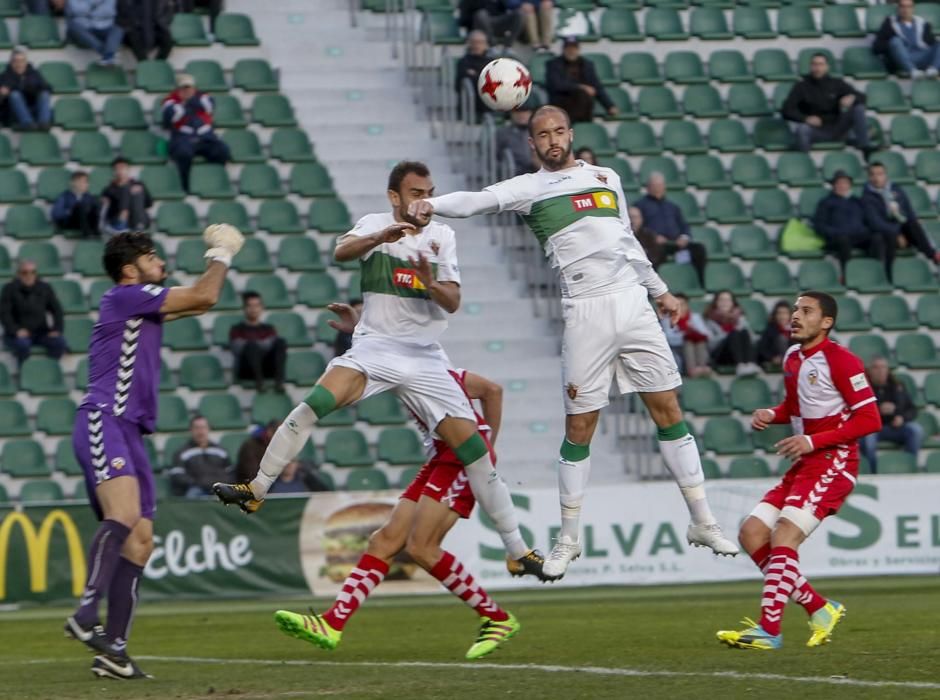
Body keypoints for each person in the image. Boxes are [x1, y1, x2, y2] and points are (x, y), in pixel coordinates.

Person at [406, 106, 738, 580]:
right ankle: (567, 540)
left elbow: (628, 239)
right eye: (543, 135)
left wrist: (659, 290)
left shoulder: (606, 177)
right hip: (585, 309)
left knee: (667, 409)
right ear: (533, 144)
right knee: (580, 426)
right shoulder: (529, 188)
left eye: (559, 131)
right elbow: (476, 201)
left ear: (571, 134)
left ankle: (703, 521)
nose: (552, 140)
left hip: (632, 302)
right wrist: (431, 205)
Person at [213, 162, 553, 597]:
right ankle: (257, 489)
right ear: (395, 197)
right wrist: (380, 238)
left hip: (427, 358)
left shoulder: (442, 237)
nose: (424, 201)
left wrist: (430, 284)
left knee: (476, 452)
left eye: (429, 192)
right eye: (415, 192)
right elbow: (341, 253)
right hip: (376, 349)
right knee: (313, 403)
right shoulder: (373, 226)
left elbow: (452, 302)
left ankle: (517, 551)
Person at [274, 302, 521, 660]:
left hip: (458, 460)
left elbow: (493, 390)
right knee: (384, 541)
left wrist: (483, 453)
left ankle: (496, 618)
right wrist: (358, 326)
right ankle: (332, 623)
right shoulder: (400, 364)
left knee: (422, 547)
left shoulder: (440, 372)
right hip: (440, 457)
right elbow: (380, 342)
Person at [65, 225, 243, 679]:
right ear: (130, 270)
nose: (160, 262)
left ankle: (115, 652)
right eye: (151, 257)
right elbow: (205, 295)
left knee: (142, 542)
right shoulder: (125, 297)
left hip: (130, 432)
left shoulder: (141, 306)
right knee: (123, 517)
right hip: (105, 418)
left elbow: (198, 302)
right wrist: (221, 253)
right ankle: (87, 613)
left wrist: (210, 276)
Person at [717, 292, 882, 650]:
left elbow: (870, 419)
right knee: (751, 533)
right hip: (806, 462)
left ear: (826, 322)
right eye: (794, 309)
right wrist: (771, 414)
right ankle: (819, 607)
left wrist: (813, 441)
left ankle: (769, 629)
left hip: (833, 461)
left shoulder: (842, 360)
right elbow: (795, 406)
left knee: (783, 537)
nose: (795, 316)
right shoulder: (793, 357)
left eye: (806, 311)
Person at [782, 53, 873, 157]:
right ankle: (804, 162)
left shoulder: (836, 83)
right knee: (802, 129)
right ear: (810, 66)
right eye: (814, 64)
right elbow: (786, 110)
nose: (817, 68)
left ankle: (865, 147)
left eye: (821, 64)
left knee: (859, 108)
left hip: (838, 126)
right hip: (816, 130)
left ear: (827, 67)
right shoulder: (801, 86)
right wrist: (805, 118)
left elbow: (863, 97)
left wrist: (853, 98)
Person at [861, 161, 939, 281]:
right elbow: (875, 223)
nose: (876, 177)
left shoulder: (897, 190)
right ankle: (888, 278)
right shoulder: (867, 197)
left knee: (914, 223)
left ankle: (933, 255)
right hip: (887, 234)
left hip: (902, 231)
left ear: (885, 175)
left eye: (880, 174)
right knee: (887, 236)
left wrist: (902, 232)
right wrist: (897, 233)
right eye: (873, 174)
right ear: (869, 177)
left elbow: (909, 212)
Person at [162, 73, 231, 193]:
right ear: (178, 89)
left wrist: (187, 104)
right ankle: (185, 186)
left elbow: (209, 105)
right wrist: (187, 105)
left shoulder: (202, 96)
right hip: (183, 137)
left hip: (205, 137)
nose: (187, 91)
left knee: (222, 151)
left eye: (189, 88)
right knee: (183, 153)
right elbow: (171, 116)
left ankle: (215, 183)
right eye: (183, 88)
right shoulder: (170, 100)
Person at [636, 173, 707, 287]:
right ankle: (654, 287)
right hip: (656, 244)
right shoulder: (640, 206)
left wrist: (684, 237)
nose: (658, 188)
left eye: (660, 185)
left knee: (699, 249)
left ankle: (700, 284)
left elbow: (684, 225)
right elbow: (639, 227)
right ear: (648, 187)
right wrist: (654, 237)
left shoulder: (672, 206)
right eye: (655, 185)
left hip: (676, 243)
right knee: (654, 253)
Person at [813, 170, 883, 279]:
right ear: (834, 185)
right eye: (839, 183)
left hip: (858, 236)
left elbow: (869, 221)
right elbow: (819, 225)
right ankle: (847, 276)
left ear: (849, 185)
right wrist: (836, 232)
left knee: (877, 238)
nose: (842, 186)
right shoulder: (826, 203)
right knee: (843, 240)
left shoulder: (857, 201)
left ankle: (875, 273)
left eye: (845, 183)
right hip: (838, 238)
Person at [859, 357, 923, 474]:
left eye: (883, 367)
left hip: (895, 427)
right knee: (868, 439)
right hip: (873, 428)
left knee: (916, 430)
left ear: (888, 369)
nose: (880, 370)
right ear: (869, 371)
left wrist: (901, 417)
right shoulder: (863, 387)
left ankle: (909, 467)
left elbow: (912, 410)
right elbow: (857, 411)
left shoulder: (897, 386)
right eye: (876, 367)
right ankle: (873, 472)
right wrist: (878, 411)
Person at [1, 260, 66, 366]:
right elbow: (4, 314)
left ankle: (50, 370)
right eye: (25, 272)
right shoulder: (9, 289)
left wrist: (57, 330)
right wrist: (16, 330)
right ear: (19, 274)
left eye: (32, 272)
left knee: (59, 342)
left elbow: (57, 310)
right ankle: (25, 373)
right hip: (16, 335)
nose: (29, 275)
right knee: (22, 345)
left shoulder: (45, 288)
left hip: (41, 333)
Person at [546, 37, 617, 123]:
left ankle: (582, 127)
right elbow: (557, 85)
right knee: (582, 94)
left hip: (583, 105)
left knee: (584, 96)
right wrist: (581, 87)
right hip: (562, 104)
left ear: (578, 49)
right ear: (563, 49)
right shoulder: (553, 64)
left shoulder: (587, 65)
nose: (571, 51)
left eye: (573, 48)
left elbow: (596, 86)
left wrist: (609, 106)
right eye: (568, 48)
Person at [229, 291, 287, 392]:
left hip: (267, 367)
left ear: (261, 307)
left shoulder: (268, 329)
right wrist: (259, 344)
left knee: (280, 342)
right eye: (250, 306)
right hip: (247, 370)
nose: (253, 309)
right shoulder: (237, 329)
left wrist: (257, 345)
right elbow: (237, 349)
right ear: (244, 308)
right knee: (251, 346)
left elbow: (273, 345)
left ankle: (279, 382)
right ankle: (259, 383)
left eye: (256, 305)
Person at [168, 415, 232, 498]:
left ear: (208, 429)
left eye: (203, 427)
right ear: (191, 430)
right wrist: (197, 483)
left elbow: (231, 473)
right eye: (196, 428)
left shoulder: (221, 451)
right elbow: (177, 475)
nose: (200, 431)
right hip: (197, 489)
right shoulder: (182, 452)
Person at [873, 0, 940, 78]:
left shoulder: (922, 23)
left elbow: (932, 44)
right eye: (902, 6)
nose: (906, 10)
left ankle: (933, 69)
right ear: (898, 8)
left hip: (921, 57)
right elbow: (877, 47)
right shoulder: (889, 23)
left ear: (913, 9)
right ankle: (912, 71)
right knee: (895, 41)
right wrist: (893, 46)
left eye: (909, 7)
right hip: (901, 59)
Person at [704, 290, 759, 376]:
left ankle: (750, 364)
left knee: (743, 331)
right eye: (721, 300)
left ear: (733, 303)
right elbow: (710, 343)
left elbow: (751, 338)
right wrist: (728, 336)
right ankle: (740, 365)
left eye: (728, 300)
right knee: (734, 333)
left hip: (740, 351)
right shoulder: (709, 319)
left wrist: (736, 331)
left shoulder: (740, 318)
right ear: (716, 302)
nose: (724, 303)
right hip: (721, 354)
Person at [100, 157, 153, 238]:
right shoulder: (109, 188)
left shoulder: (138, 184)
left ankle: (135, 224)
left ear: (128, 170)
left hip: (137, 217)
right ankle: (125, 222)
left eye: (123, 168)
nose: (120, 171)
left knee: (136, 191)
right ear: (114, 171)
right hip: (116, 219)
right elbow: (109, 207)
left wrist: (138, 192)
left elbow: (149, 203)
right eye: (117, 169)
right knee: (127, 189)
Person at [0, 48, 52, 130]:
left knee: (44, 94)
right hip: (15, 114)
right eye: (16, 61)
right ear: (11, 63)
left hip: (34, 109)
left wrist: (33, 88)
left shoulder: (34, 74)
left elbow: (48, 88)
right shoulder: (5, 76)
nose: (19, 64)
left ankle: (44, 123)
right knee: (14, 95)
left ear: (26, 62)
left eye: (22, 61)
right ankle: (27, 123)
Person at [662, 293, 711, 378]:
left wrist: (693, 332)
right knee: (688, 341)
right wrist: (684, 335)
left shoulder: (695, 317)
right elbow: (668, 338)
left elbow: (706, 334)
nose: (680, 308)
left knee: (699, 342)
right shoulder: (667, 319)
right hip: (677, 348)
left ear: (687, 305)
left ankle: (702, 368)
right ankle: (692, 369)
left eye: (682, 304)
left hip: (696, 346)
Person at [66, 0, 124, 66]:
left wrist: (88, 8)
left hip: (105, 25)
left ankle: (108, 55)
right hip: (83, 26)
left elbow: (109, 11)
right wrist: (95, 3)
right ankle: (106, 53)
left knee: (119, 28)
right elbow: (76, 10)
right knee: (73, 26)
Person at [454, 30, 492, 119]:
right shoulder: (463, 62)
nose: (477, 45)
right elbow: (458, 86)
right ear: (469, 44)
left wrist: (475, 74)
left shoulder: (492, 62)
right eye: (474, 42)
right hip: (472, 104)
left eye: (480, 42)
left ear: (486, 45)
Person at [52, 171, 100, 238]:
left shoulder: (89, 197)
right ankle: (88, 235)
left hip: (86, 222)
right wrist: (70, 212)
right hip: (70, 223)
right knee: (79, 206)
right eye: (81, 181)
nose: (84, 184)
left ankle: (96, 233)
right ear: (73, 183)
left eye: (85, 182)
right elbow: (56, 214)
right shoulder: (64, 196)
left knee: (95, 206)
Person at [457, 0, 522, 49]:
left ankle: (508, 46)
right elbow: (463, 20)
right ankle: (492, 46)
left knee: (519, 14)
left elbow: (506, 10)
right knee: (481, 14)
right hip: (478, 28)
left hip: (496, 24)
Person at [496, 106, 537, 176]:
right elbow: (493, 160)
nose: (521, 115)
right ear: (511, 113)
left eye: (525, 111)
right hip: (511, 176)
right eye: (517, 112)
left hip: (537, 174)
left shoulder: (537, 131)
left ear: (531, 113)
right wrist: (506, 170)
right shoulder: (502, 133)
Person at [756, 301, 792, 370]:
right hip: (777, 360)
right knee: (782, 339)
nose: (782, 316)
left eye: (785, 313)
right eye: (779, 313)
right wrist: (772, 358)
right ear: (775, 315)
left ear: (790, 315)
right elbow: (762, 348)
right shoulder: (770, 330)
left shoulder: (795, 329)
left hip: (792, 360)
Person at [627, 205, 663, 269]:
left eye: (635, 217)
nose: (632, 221)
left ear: (641, 219)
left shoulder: (649, 235)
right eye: (630, 217)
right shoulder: (620, 235)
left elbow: (654, 258)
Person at [268, 459, 332, 494]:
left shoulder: (306, 479)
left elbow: (325, 495)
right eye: (286, 460)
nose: (289, 464)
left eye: (292, 461)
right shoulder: (269, 483)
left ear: (297, 464)